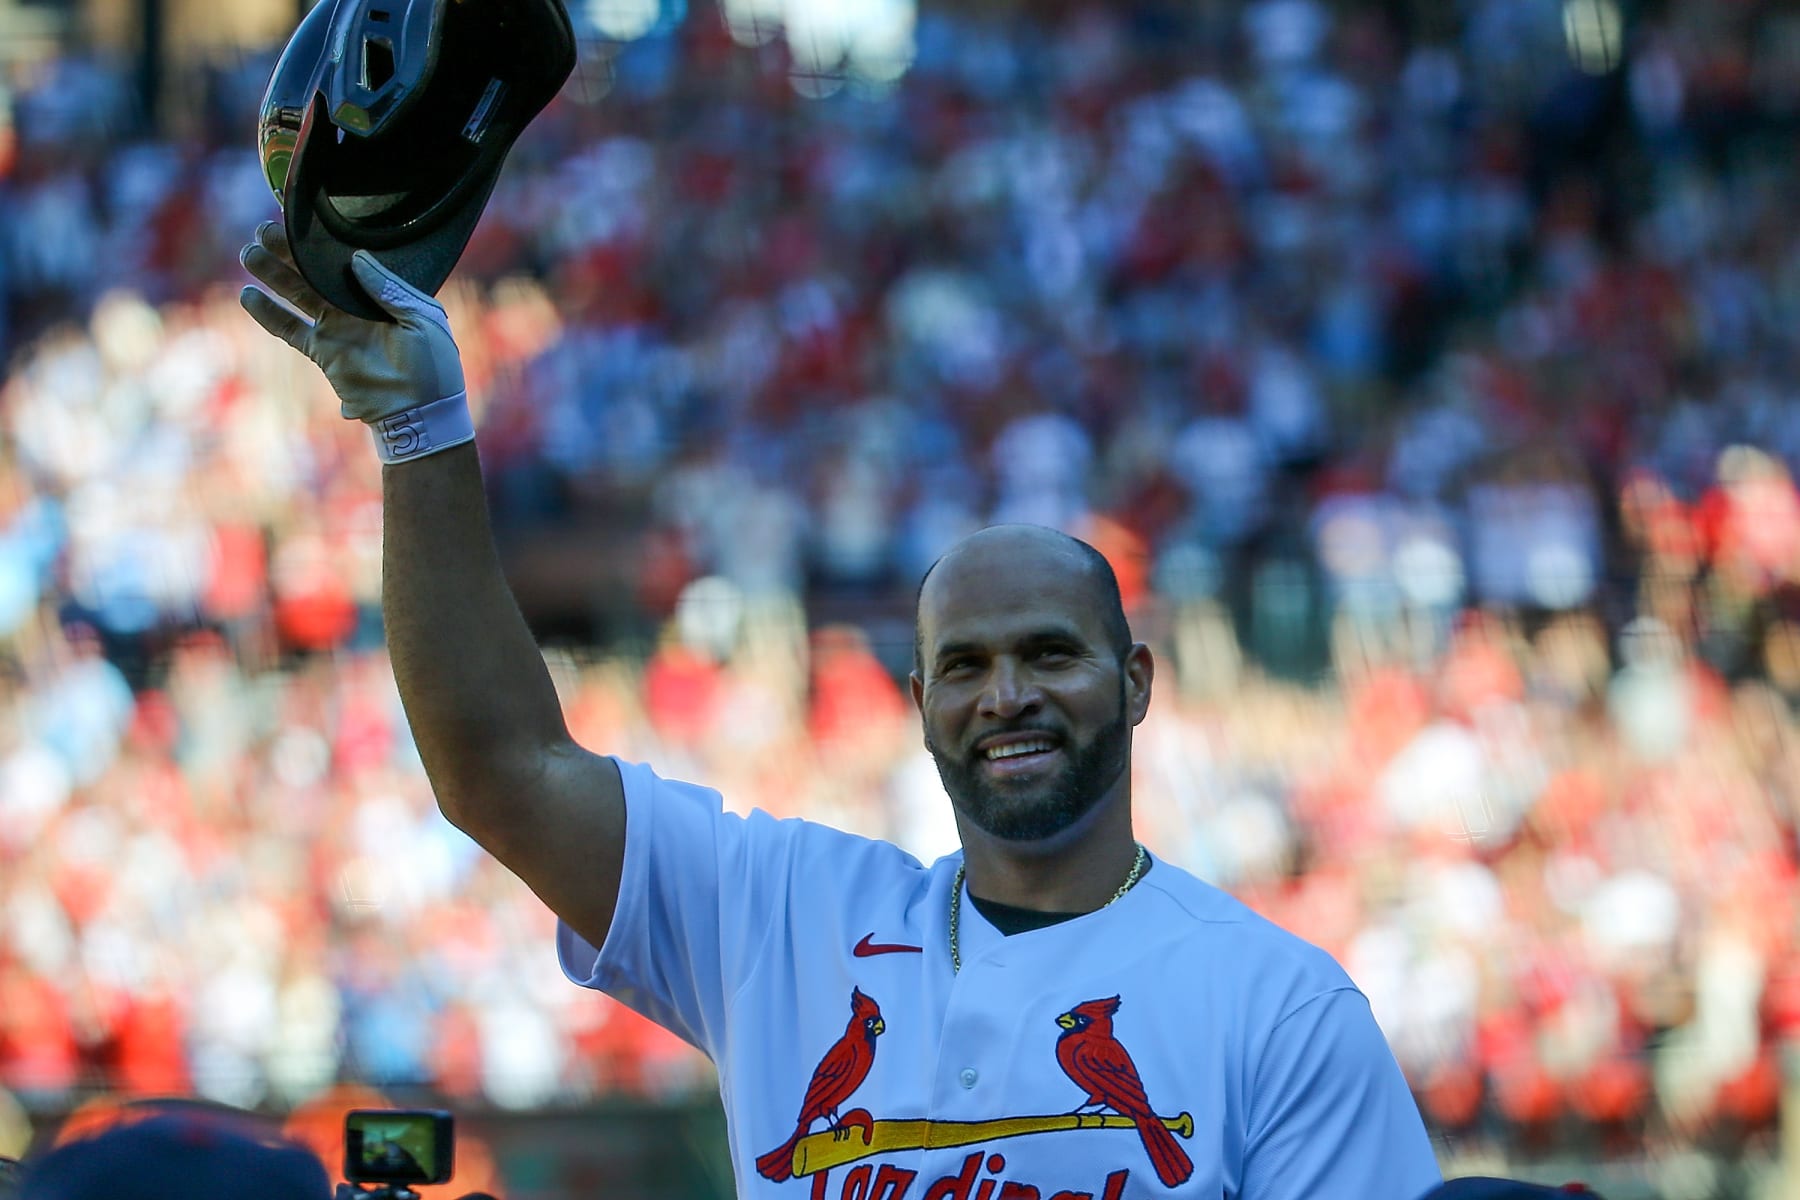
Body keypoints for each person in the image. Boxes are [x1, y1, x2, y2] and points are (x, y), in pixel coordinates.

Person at [239, 220, 1444, 1199]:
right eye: (964, 667)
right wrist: (419, 430)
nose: (1007, 694)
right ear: (920, 706)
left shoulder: (1280, 1009)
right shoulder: (787, 922)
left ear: (1135, 682)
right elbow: (501, 771)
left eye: (1050, 655)